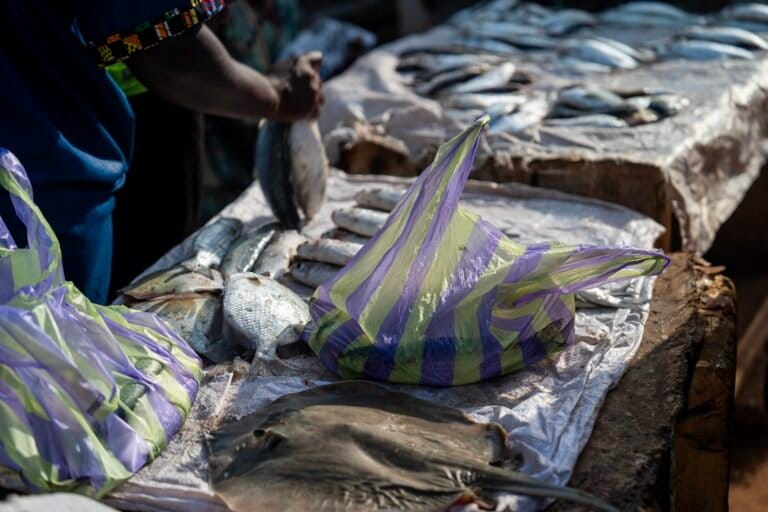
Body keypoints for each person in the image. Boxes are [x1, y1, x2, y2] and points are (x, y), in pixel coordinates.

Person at [0, 1, 323, 304]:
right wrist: (276, 95)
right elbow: (170, 53)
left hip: (38, 158)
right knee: (59, 345)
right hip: (41, 184)